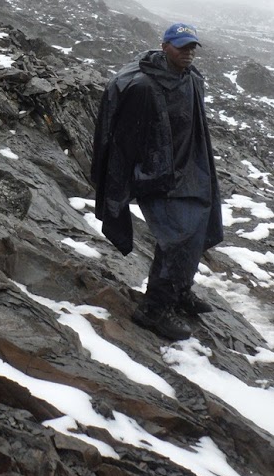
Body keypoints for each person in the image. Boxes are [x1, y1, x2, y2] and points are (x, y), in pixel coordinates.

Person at [91, 23, 223, 341]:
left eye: (192, 47)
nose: (189, 53)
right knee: (176, 238)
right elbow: (124, 141)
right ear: (164, 46)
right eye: (181, 47)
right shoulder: (142, 86)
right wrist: (131, 180)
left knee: (197, 227)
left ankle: (179, 292)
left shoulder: (192, 79)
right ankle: (152, 310)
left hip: (187, 167)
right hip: (155, 174)